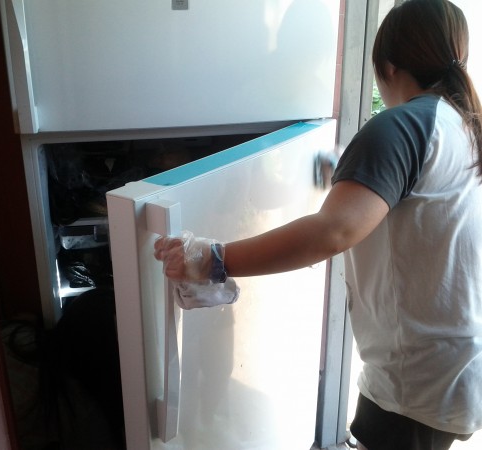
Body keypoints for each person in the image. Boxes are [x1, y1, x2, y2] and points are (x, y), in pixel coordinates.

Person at [153, 1, 482, 449]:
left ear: (387, 65)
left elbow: (333, 231)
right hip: (454, 364)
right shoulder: (459, 124)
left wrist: (214, 259)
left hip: (415, 382)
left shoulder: (402, 126)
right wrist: (351, 173)